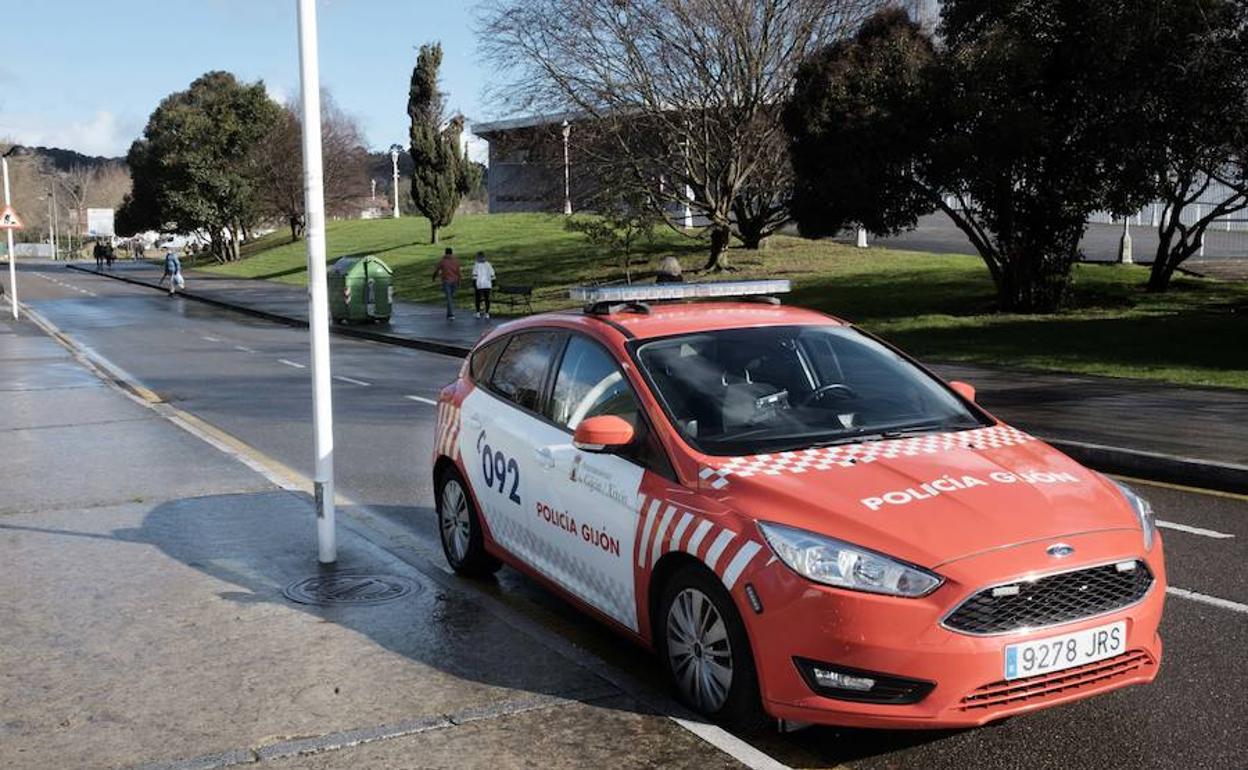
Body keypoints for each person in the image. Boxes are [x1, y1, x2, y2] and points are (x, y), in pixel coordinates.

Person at [431, 247, 461, 319]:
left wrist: (434, 277)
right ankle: (449, 313)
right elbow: (458, 272)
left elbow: (437, 270)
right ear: (452, 253)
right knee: (451, 297)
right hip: (455, 281)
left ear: (445, 253)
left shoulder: (442, 261)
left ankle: (450, 314)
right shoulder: (456, 261)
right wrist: (459, 281)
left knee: (449, 298)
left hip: (446, 281)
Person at [471, 251, 496, 319]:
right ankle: (487, 313)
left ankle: (478, 313)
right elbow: (492, 274)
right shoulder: (488, 264)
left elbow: (474, 276)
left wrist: (474, 284)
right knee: (487, 299)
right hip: (487, 284)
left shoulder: (476, 265)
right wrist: (493, 283)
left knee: (478, 299)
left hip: (479, 284)